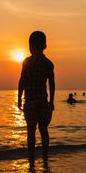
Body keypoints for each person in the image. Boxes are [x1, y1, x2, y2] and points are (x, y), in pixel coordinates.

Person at [18, 31, 55, 159]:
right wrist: (51, 101)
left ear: (30, 46)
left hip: (30, 102)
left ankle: (31, 159)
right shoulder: (48, 63)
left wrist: (18, 98)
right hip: (43, 102)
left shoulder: (27, 62)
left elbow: (22, 81)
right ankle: (45, 157)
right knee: (44, 130)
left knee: (31, 131)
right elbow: (52, 84)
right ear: (45, 46)